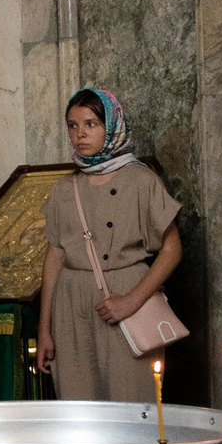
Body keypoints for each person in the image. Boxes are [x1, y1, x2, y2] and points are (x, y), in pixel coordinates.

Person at [35, 88, 184, 399]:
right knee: (79, 409)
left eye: (91, 124)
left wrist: (131, 300)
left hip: (127, 297)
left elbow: (172, 250)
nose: (80, 134)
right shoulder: (65, 189)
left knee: (131, 404)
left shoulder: (141, 180)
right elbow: (54, 257)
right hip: (71, 305)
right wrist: (45, 327)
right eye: (72, 125)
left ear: (112, 126)